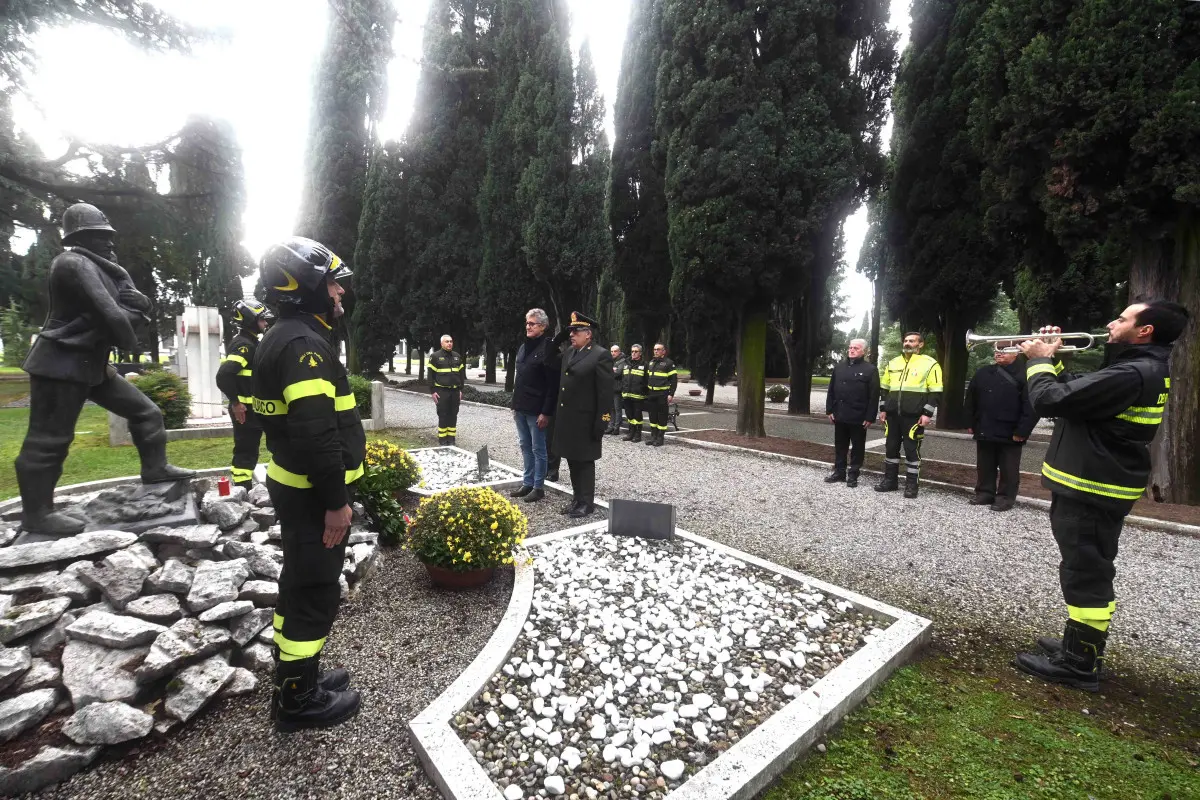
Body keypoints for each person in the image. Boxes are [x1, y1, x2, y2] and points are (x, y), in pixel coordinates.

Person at [1013, 301, 1188, 692]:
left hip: (1093, 484)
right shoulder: (1139, 367)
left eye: (1123, 318)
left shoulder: (1132, 372)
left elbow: (1050, 401)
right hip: (1097, 480)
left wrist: (1039, 360)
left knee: (1085, 571)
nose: (1112, 322)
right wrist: (1054, 359)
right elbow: (1076, 397)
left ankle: (1079, 663)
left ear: (1145, 331)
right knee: (1086, 566)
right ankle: (1080, 645)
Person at [15, 203, 195, 536]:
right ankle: (37, 514)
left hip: (91, 362)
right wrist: (132, 339)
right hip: (61, 362)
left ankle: (155, 470)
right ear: (81, 236)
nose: (110, 243)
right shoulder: (72, 263)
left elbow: (135, 302)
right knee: (49, 440)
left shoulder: (103, 268)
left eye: (109, 237)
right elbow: (112, 314)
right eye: (102, 237)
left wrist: (135, 309)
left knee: (147, 413)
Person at [255, 236, 363, 731]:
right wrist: (336, 503)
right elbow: (318, 435)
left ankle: (297, 675)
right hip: (313, 494)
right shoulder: (304, 346)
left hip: (294, 485)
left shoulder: (286, 334)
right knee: (315, 587)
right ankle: (298, 700)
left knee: (297, 580)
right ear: (306, 287)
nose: (340, 294)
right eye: (334, 286)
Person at [551, 311, 614, 518]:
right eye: (570, 331)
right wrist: (558, 337)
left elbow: (605, 393)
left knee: (585, 463)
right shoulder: (570, 352)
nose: (572, 334)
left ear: (588, 334)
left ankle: (586, 503)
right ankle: (576, 499)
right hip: (568, 420)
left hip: (586, 421)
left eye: (576, 331)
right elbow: (548, 356)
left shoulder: (600, 355)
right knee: (572, 460)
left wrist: (602, 422)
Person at [964, 346, 1038, 511]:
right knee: (984, 464)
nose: (998, 353)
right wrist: (970, 422)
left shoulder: (1026, 375)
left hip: (1011, 430)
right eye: (997, 349)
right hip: (985, 426)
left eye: (1004, 350)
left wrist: (1023, 431)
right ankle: (984, 493)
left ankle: (1005, 497)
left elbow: (1031, 406)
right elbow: (971, 399)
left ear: (1016, 353)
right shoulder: (983, 372)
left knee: (1009, 467)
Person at [875, 332, 942, 498]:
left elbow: (936, 391)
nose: (907, 343)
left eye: (912, 341)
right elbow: (884, 388)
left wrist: (927, 413)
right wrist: (883, 408)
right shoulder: (893, 362)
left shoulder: (930, 364)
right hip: (892, 415)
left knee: (912, 451)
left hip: (914, 416)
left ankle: (912, 486)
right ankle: (890, 481)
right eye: (905, 340)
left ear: (920, 345)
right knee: (891, 448)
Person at [216, 300, 273, 491]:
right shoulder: (244, 346)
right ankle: (243, 488)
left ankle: (245, 487)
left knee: (251, 448)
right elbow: (224, 375)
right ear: (250, 320)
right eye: (262, 320)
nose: (265, 324)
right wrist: (235, 402)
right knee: (246, 450)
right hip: (246, 411)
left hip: (253, 409)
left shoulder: (250, 343)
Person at [509, 308, 561, 503]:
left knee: (539, 448)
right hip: (521, 407)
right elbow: (519, 378)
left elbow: (552, 385)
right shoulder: (524, 347)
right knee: (525, 446)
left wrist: (546, 412)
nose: (528, 327)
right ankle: (527, 482)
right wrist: (514, 404)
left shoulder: (549, 348)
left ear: (543, 326)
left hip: (537, 409)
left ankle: (538, 487)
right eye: (527, 323)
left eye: (532, 324)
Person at [824, 338, 879, 488]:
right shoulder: (839, 368)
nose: (852, 350)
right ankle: (839, 472)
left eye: (856, 348)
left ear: (864, 351)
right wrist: (830, 409)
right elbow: (831, 390)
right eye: (850, 347)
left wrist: (870, 416)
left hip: (859, 416)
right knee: (840, 445)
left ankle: (853, 474)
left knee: (857, 447)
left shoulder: (870, 370)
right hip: (840, 414)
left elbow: (874, 396)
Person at [428, 334, 465, 446]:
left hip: (454, 392)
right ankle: (443, 440)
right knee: (443, 415)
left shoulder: (457, 356)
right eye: (447, 341)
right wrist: (432, 391)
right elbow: (430, 376)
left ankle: (451, 439)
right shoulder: (435, 357)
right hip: (441, 392)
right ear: (442, 343)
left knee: (453, 414)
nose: (449, 343)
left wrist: (460, 390)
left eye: (451, 341)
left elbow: (461, 375)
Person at [644, 342, 678, 447]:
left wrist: (671, 394)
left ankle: (660, 438)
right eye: (655, 349)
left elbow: (674, 381)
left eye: (658, 349)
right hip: (652, 394)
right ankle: (653, 437)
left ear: (664, 351)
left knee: (662, 417)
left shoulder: (669, 363)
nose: (656, 351)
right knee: (652, 416)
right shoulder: (651, 362)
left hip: (662, 394)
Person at [619, 344, 648, 443]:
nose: (633, 353)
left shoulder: (644, 364)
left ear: (640, 353)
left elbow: (646, 380)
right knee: (629, 415)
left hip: (638, 396)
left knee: (637, 416)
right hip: (627, 395)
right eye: (632, 351)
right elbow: (623, 378)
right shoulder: (626, 363)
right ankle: (631, 433)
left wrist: (643, 391)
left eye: (636, 351)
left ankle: (638, 434)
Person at [607, 344, 626, 435]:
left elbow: (618, 373)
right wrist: (612, 370)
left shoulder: (622, 361)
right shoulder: (610, 361)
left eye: (615, 351)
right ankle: (610, 426)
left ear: (619, 351)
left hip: (617, 389)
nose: (613, 353)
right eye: (612, 351)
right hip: (610, 388)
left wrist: (610, 371)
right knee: (611, 409)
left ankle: (616, 428)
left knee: (617, 409)